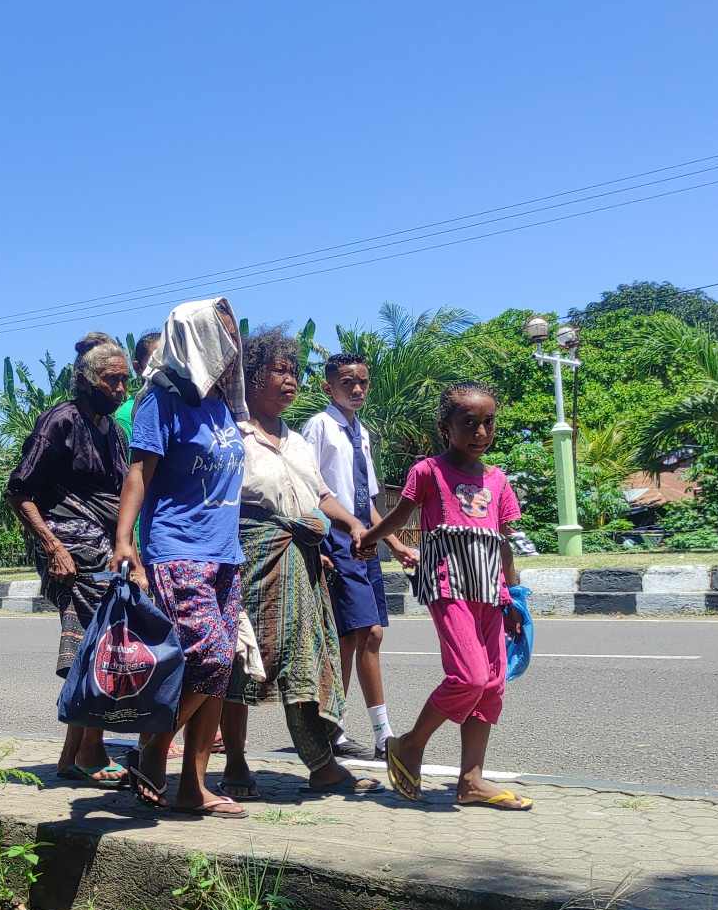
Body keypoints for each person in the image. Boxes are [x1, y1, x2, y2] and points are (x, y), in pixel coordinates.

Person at [218, 329, 381, 798]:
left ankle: (321, 763)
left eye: (293, 371)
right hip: (253, 561)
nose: (290, 380)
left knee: (305, 662)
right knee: (244, 662)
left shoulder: (297, 440)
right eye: (279, 371)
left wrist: (352, 526)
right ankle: (234, 764)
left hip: (303, 564)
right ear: (251, 378)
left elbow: (321, 496)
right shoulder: (233, 435)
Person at [361, 381, 531, 811]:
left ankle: (471, 780)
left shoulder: (498, 479)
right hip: (448, 583)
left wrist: (515, 599)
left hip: (491, 590)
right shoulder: (429, 471)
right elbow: (403, 514)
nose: (479, 432)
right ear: (445, 428)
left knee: (491, 684)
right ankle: (410, 745)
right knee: (469, 676)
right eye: (468, 423)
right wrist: (369, 538)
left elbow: (504, 541)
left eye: (488, 423)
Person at [112, 297, 249, 818]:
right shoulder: (160, 398)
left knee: (218, 671)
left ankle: (193, 786)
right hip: (177, 550)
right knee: (209, 655)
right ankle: (150, 749)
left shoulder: (219, 403)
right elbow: (138, 473)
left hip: (225, 553)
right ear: (197, 336)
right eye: (224, 330)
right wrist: (126, 542)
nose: (233, 340)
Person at [8, 332, 132, 784]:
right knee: (99, 646)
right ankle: (91, 752)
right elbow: (19, 491)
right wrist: (53, 548)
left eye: (124, 382)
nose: (119, 391)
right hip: (70, 543)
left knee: (103, 644)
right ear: (85, 380)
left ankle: (73, 756)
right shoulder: (59, 421)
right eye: (110, 381)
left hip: (103, 541)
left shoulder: (114, 432)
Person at [298, 351, 392, 760]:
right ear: (328, 387)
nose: (356, 389)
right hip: (336, 539)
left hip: (362, 541)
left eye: (363, 383)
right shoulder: (319, 427)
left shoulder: (361, 431)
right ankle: (377, 733)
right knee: (358, 635)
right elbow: (312, 489)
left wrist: (395, 541)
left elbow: (364, 498)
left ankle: (339, 729)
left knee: (359, 636)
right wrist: (328, 538)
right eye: (347, 382)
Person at [114, 332, 163, 437]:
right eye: (156, 362)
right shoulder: (127, 416)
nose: (165, 367)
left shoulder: (187, 402)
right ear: (137, 368)